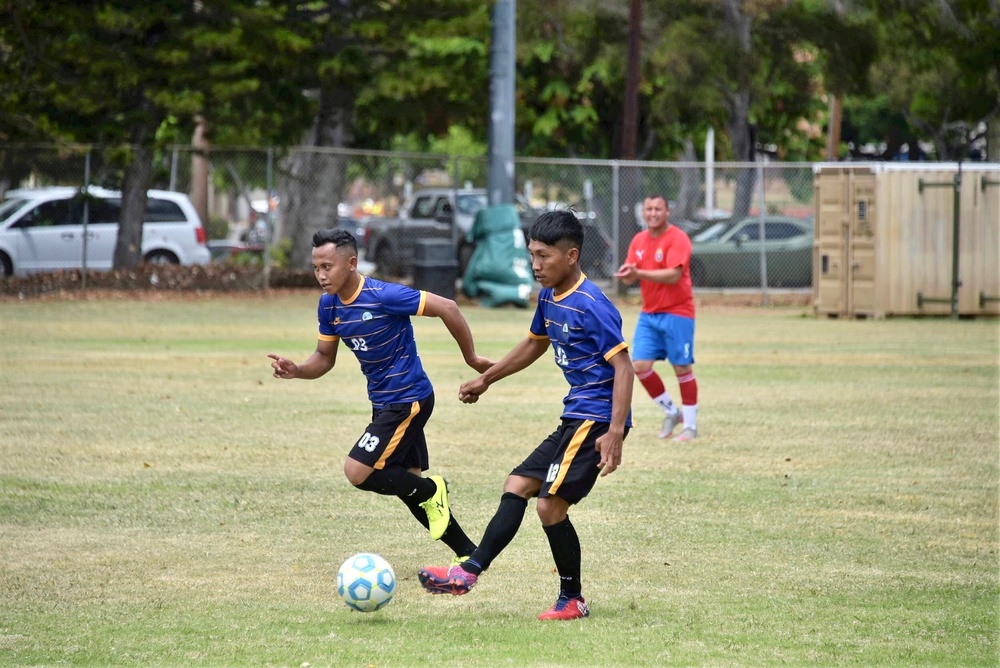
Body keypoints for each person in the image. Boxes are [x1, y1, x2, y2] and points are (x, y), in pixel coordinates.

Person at [417, 210, 634, 621]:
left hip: (598, 416)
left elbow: (624, 366)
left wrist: (616, 431)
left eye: (544, 256)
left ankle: (572, 598)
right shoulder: (549, 296)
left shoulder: (593, 304)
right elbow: (534, 343)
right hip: (576, 415)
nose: (535, 265)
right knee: (517, 484)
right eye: (532, 255)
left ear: (571, 256)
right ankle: (469, 572)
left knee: (550, 507)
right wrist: (488, 378)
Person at [268, 228, 492, 562]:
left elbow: (448, 307)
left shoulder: (383, 296)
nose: (321, 275)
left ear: (352, 263)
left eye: (327, 266)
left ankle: (435, 491)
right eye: (316, 268)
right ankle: (468, 554)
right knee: (407, 483)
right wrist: (298, 369)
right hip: (384, 403)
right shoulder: (329, 306)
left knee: (358, 471)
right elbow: (324, 359)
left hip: (408, 401)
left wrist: (472, 358)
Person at [614, 195, 698, 442]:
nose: (652, 213)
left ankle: (691, 427)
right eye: (648, 208)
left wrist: (638, 272)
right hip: (649, 314)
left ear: (667, 211)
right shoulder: (638, 240)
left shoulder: (678, 238)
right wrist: (627, 275)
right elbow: (633, 274)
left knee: (682, 367)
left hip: (678, 311)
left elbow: (673, 275)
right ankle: (672, 412)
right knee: (639, 366)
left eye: (657, 209)